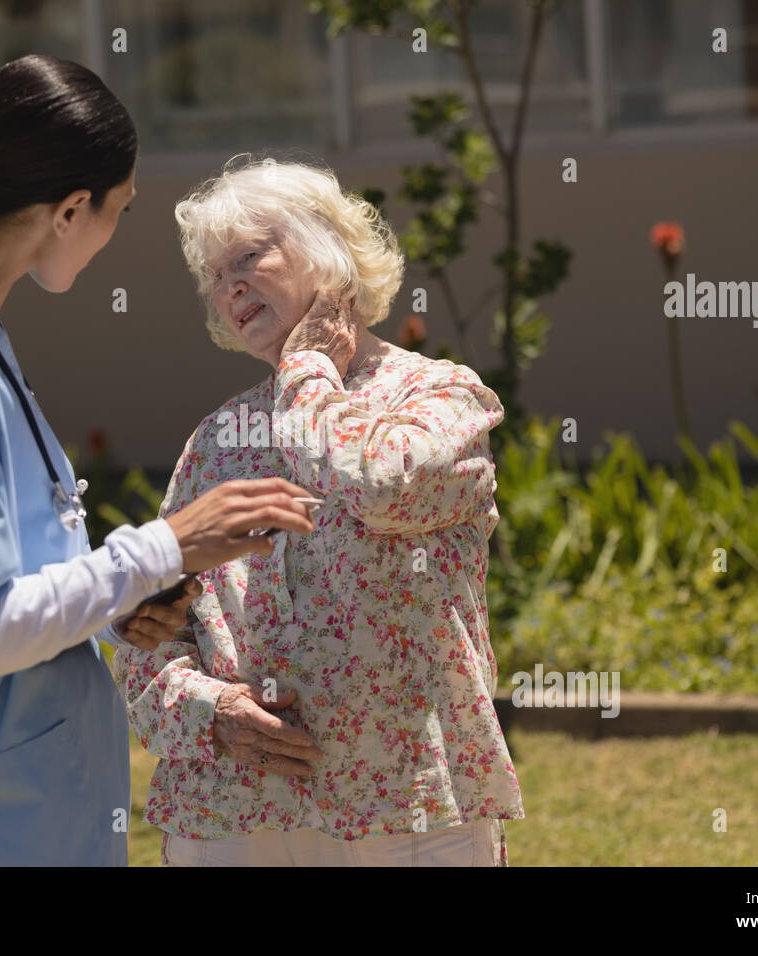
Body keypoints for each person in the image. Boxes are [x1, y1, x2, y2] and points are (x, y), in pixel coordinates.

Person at [0, 59, 315, 866]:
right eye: (120, 210)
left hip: (10, 815)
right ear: (72, 209)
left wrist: (123, 601)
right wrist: (161, 547)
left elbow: (1, 580)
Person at [113, 156, 524, 866]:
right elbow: (146, 635)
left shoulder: (439, 397)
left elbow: (379, 486)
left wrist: (307, 371)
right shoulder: (216, 441)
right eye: (215, 276)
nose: (229, 285)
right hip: (237, 807)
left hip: (409, 803)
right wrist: (211, 713)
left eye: (249, 255)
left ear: (330, 255)